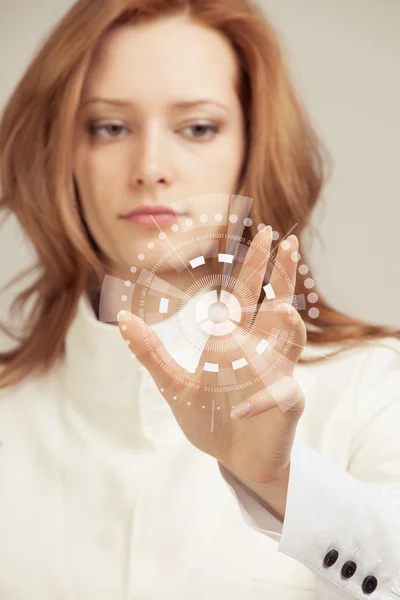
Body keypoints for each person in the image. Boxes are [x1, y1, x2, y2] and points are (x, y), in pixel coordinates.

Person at [0, 0, 399, 598]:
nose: (151, 167)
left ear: (251, 147)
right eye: (110, 126)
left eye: (197, 128)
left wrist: (280, 484)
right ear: (61, 152)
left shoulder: (373, 386)